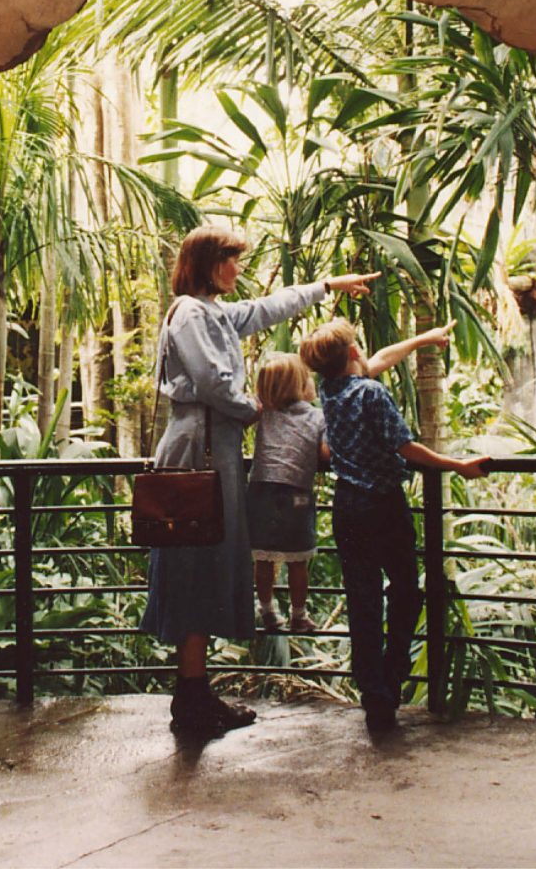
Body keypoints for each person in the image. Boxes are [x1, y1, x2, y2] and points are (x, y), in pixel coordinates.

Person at [140, 224, 378, 733]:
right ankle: (192, 699)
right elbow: (213, 382)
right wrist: (257, 408)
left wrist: (327, 286)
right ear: (209, 263)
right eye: (232, 259)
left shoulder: (214, 313)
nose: (239, 268)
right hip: (199, 449)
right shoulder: (190, 312)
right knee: (196, 563)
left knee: (206, 565)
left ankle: (195, 693)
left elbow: (267, 308)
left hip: (214, 446)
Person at [300, 317, 489, 734]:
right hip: (383, 505)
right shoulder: (371, 393)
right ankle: (393, 672)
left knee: (363, 600)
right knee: (405, 589)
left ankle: (375, 696)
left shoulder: (331, 390)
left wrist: (424, 339)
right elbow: (406, 447)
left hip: (348, 507)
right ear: (354, 353)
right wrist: (457, 465)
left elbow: (380, 359)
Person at [246, 353, 330, 634]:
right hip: (297, 492)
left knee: (264, 558)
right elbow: (325, 453)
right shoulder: (318, 416)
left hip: (261, 490)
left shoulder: (264, 412)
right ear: (299, 385)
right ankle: (299, 615)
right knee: (298, 560)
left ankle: (267, 610)